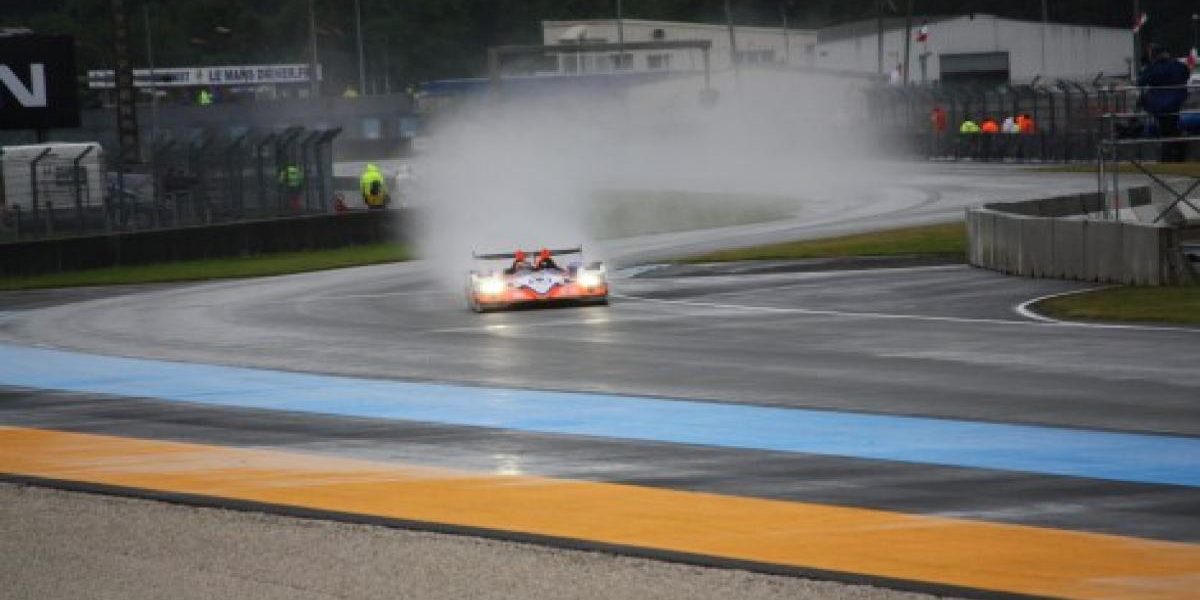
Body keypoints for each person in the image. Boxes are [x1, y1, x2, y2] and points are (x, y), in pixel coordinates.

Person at [1139, 44, 1191, 162]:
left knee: (1166, 132)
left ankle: (1168, 156)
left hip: (1159, 104)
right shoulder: (1178, 66)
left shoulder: (1153, 68)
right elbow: (1186, 74)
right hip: (1175, 102)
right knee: (1171, 129)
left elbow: (1141, 82)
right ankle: (1176, 153)